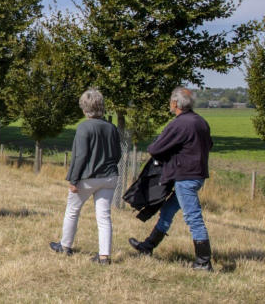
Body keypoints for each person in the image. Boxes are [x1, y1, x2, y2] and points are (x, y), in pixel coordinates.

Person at [129, 87, 214, 271]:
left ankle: (203, 262)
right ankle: (148, 246)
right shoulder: (201, 121)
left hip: (185, 176)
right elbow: (209, 145)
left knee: (193, 217)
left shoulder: (179, 124)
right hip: (198, 174)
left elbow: (155, 149)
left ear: (176, 103)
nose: (170, 103)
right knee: (167, 210)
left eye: (170, 100)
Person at [49, 89, 122, 265]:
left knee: (73, 211)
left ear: (84, 109)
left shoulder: (84, 127)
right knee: (104, 216)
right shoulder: (111, 128)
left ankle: (65, 246)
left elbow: (80, 156)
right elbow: (118, 154)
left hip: (87, 177)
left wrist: (73, 180)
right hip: (109, 177)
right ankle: (104, 256)